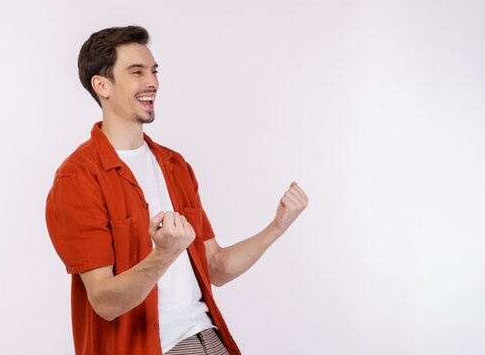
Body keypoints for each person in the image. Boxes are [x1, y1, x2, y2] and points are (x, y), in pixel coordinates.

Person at [45, 25, 308, 355]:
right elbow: (104, 301)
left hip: (212, 339)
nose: (152, 82)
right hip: (156, 348)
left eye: (153, 71)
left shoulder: (175, 165)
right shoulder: (78, 180)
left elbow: (216, 267)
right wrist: (163, 255)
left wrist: (277, 227)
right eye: (136, 72)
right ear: (102, 85)